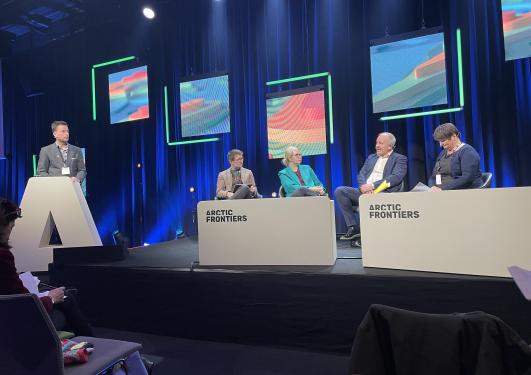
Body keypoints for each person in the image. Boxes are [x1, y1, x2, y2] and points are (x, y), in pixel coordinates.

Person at [0, 198, 93, 336]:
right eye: (11, 227)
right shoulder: (3, 256)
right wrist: (51, 299)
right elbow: (25, 304)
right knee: (66, 298)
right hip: (11, 321)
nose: (10, 233)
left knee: (59, 294)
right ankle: (93, 348)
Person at [335, 132, 407, 240]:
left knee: (375, 197)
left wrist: (373, 186)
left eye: (381, 143)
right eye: (377, 142)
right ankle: (353, 227)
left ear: (390, 146)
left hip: (384, 193)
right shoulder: (371, 157)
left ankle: (371, 237)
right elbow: (361, 174)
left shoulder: (399, 158)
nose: (377, 146)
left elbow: (396, 177)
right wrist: (364, 187)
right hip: (365, 192)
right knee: (340, 191)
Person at [428, 123, 482, 191]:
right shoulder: (442, 153)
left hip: (462, 192)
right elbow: (433, 176)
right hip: (441, 192)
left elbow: (467, 177)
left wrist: (442, 189)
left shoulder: (467, 152)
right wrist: (432, 187)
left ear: (454, 136)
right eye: (439, 141)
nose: (440, 145)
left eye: (443, 141)